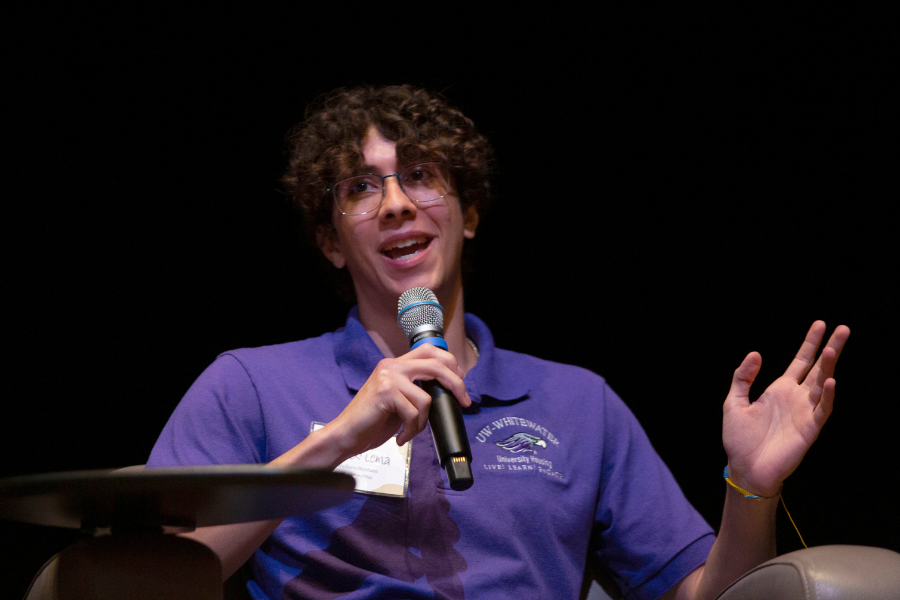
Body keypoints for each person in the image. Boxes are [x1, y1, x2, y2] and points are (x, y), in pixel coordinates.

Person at [147, 85, 850, 599]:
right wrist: (334, 442)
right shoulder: (247, 386)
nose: (395, 203)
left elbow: (705, 597)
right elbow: (154, 579)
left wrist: (751, 490)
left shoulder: (578, 402)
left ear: (470, 212)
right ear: (331, 241)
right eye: (360, 187)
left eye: (420, 176)